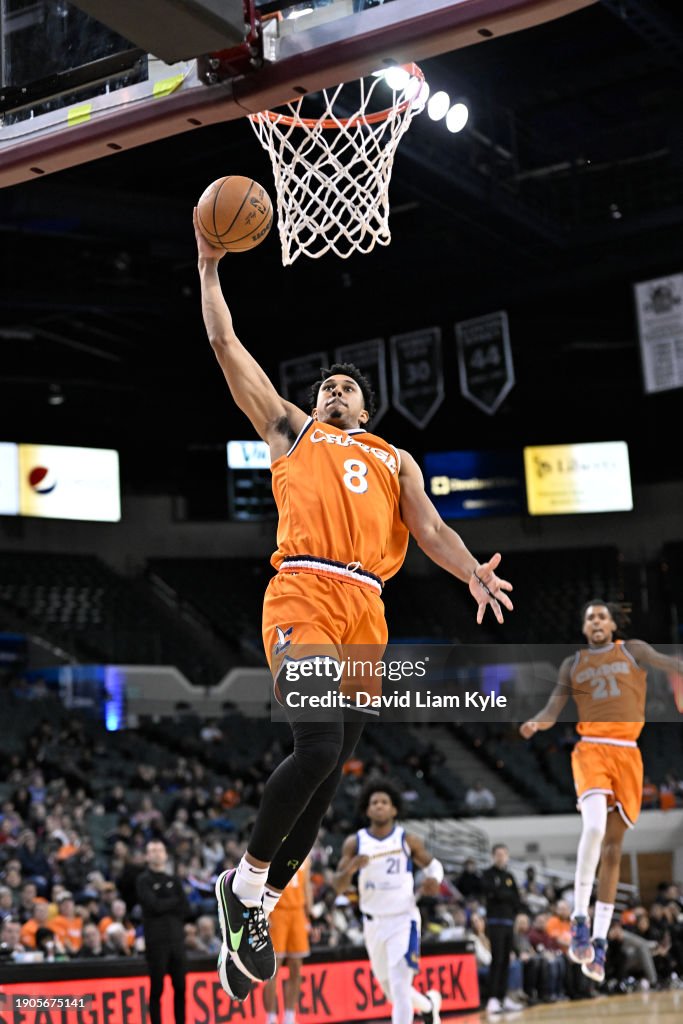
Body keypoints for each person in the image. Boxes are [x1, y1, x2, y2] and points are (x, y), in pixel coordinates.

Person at [194, 210, 514, 997]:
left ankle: (259, 905)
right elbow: (226, 348)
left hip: (366, 611)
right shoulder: (289, 431)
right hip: (301, 590)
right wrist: (209, 269)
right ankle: (242, 885)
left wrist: (471, 570)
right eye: (326, 384)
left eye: (348, 387)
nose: (335, 389)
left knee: (333, 770)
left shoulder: (394, 454)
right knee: (314, 744)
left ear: (364, 408)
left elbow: (429, 527)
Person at [520, 600, 682, 984]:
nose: (595, 621)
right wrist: (536, 724)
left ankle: (600, 942)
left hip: (628, 754)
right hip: (591, 748)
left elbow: (670, 663)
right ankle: (579, 918)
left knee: (613, 851)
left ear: (612, 624)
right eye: (589, 616)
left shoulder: (633, 650)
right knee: (592, 829)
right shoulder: (572, 664)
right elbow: (551, 709)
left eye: (601, 616)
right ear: (583, 627)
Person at [331, 780, 443, 1024]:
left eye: (384, 802)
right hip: (373, 924)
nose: (379, 806)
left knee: (401, 985)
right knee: (390, 990)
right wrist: (350, 869)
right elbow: (337, 885)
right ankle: (429, 1005)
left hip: (403, 919)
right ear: (367, 809)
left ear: (394, 809)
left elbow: (434, 865)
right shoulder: (355, 843)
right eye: (374, 803)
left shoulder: (407, 840)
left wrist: (434, 879)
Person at [136, 840, 189, 1024]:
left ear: (166, 855)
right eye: (153, 850)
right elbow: (154, 906)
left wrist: (165, 904)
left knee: (181, 987)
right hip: (156, 941)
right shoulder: (143, 880)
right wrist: (172, 902)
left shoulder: (174, 880)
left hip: (176, 940)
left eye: (160, 850)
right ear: (147, 856)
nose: (157, 854)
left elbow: (186, 908)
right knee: (157, 988)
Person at [262, 859, 313, 1024]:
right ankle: (270, 1017)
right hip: (277, 911)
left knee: (296, 967)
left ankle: (290, 1016)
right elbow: (261, 883)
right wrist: (263, 913)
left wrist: (309, 915)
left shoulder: (306, 854)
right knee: (272, 968)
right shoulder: (274, 848)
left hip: (297, 912)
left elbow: (307, 885)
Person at [481, 844, 523, 1014]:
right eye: (498, 854)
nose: (501, 857)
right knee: (496, 960)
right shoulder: (487, 874)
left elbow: (516, 898)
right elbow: (493, 894)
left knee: (506, 960)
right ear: (493, 856)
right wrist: (504, 894)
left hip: (508, 923)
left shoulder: (510, 876)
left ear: (507, 856)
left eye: (504, 854)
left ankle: (503, 996)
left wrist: (504, 894)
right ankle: (492, 998)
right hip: (495, 923)